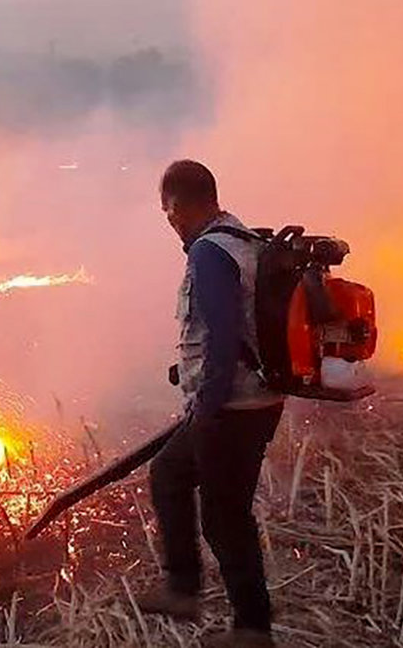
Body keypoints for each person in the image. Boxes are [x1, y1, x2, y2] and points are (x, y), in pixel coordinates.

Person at [136, 160, 285, 647]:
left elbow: (222, 338)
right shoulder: (245, 241)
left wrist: (208, 404)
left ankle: (250, 630)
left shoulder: (209, 253)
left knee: (224, 516)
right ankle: (184, 587)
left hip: (231, 407)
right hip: (258, 399)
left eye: (168, 211)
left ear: (180, 204)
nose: (169, 221)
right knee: (170, 474)